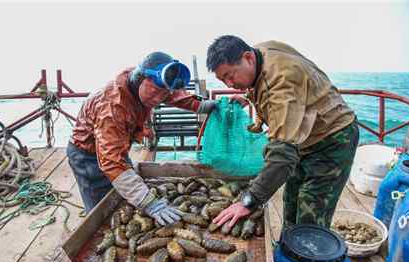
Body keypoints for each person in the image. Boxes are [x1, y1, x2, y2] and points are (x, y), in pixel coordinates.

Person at [208, 35, 359, 229]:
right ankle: (289, 244)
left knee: (311, 208)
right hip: (304, 136)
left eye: (230, 75)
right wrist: (249, 95)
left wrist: (249, 200)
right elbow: (263, 82)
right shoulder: (261, 52)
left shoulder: (281, 84)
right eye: (223, 80)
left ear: (248, 58)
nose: (228, 84)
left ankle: (308, 252)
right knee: (291, 196)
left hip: (334, 139)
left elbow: (283, 156)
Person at [67, 52, 216, 225]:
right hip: (87, 156)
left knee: (125, 192)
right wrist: (150, 204)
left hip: (116, 146)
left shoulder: (147, 80)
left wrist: (203, 105)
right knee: (101, 210)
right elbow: (111, 162)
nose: (159, 99)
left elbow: (174, 95)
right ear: (140, 79)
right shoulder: (112, 107)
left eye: (164, 94)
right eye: (156, 92)